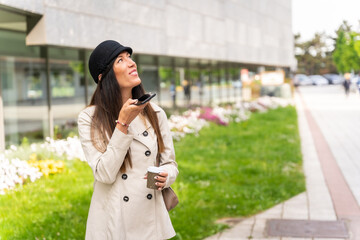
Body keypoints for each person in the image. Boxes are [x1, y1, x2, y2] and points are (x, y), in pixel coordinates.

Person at [77, 40, 178, 240]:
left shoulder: (156, 113)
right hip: (114, 223)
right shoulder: (90, 117)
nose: (131, 63)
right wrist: (122, 124)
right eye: (120, 60)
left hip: (150, 220)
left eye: (130, 57)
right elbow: (104, 174)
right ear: (103, 77)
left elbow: (170, 163)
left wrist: (166, 176)